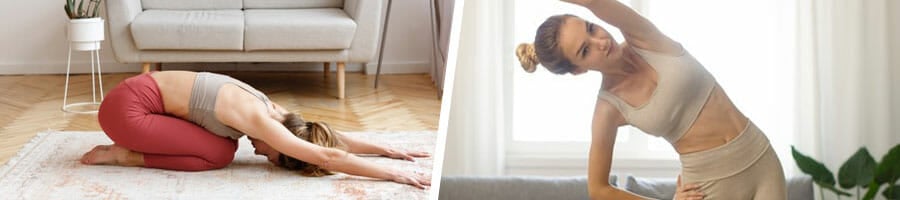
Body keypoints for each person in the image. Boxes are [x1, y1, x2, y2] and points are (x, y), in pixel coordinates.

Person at [515, 0, 786, 199]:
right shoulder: (608, 110)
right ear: (577, 70)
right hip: (708, 186)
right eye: (585, 50)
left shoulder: (643, 37)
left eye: (591, 28)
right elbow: (598, 189)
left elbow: (593, 1)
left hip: (760, 156)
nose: (601, 42)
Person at [79, 71, 431, 189]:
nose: (262, 154)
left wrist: (385, 149)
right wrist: (392, 174)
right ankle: (125, 155)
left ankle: (130, 148)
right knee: (219, 153)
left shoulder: (275, 111)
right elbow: (326, 154)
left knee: (223, 147)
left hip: (131, 95)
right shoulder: (261, 121)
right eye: (275, 157)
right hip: (125, 112)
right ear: (286, 144)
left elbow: (323, 136)